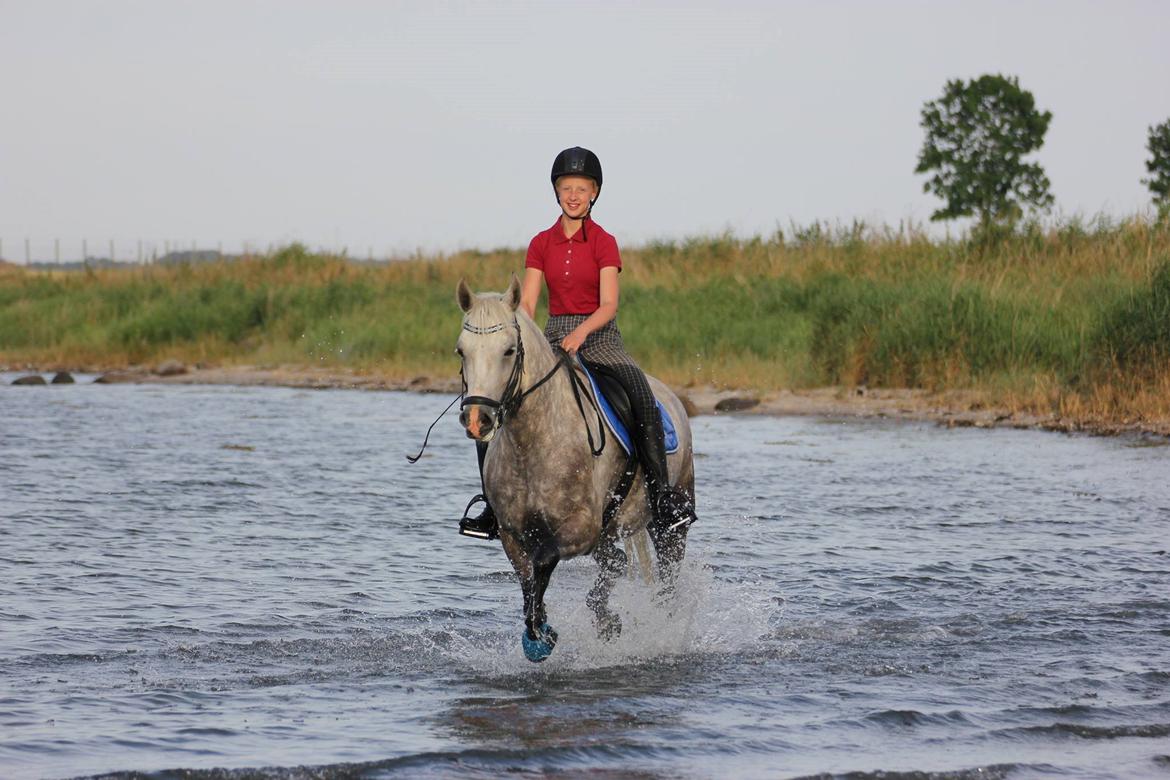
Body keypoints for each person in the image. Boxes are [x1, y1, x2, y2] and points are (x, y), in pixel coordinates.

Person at [459, 146, 697, 540]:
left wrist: (582, 332)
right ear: (557, 192)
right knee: (494, 403)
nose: (573, 194)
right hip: (551, 337)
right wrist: (522, 338)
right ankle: (492, 504)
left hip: (600, 338)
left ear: (594, 193)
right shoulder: (541, 243)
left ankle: (662, 498)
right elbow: (529, 304)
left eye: (581, 188)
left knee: (639, 394)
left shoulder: (604, 242)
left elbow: (608, 304)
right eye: (566, 187)